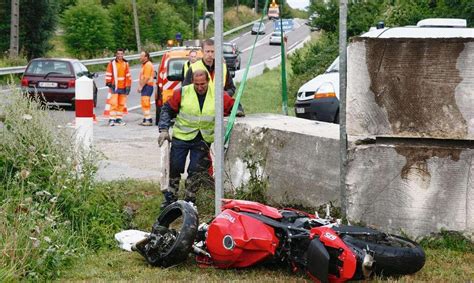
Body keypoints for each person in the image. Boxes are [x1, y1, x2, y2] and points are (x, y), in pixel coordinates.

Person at [157, 70, 235, 208]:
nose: (200, 87)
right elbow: (166, 109)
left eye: (203, 84)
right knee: (175, 167)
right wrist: (163, 129)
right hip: (181, 137)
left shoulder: (217, 94)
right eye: (197, 84)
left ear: (208, 82)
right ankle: (170, 199)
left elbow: (233, 105)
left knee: (195, 170)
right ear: (192, 82)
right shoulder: (183, 92)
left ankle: (190, 201)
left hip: (202, 139)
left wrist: (238, 111)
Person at [183, 39, 245, 117]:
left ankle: (237, 109)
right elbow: (185, 90)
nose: (210, 54)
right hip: (200, 104)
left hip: (219, 105)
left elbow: (231, 88)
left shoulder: (223, 67)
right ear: (202, 51)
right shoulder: (193, 68)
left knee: (233, 104)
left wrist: (223, 95)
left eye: (212, 51)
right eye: (207, 51)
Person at [105, 48, 131, 126]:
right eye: (118, 54)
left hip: (123, 86)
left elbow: (128, 75)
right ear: (116, 54)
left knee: (121, 104)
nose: (120, 55)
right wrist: (108, 82)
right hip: (114, 86)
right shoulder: (112, 63)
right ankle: (112, 119)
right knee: (114, 103)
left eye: (121, 54)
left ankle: (119, 119)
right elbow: (108, 73)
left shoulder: (126, 63)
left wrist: (128, 86)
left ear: (123, 54)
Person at [138, 51, 155, 126]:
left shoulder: (148, 65)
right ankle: (146, 118)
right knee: (144, 103)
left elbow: (146, 77)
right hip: (147, 86)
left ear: (146, 57)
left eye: (141, 56)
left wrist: (141, 86)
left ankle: (148, 119)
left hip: (147, 86)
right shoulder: (145, 65)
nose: (140, 57)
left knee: (145, 103)